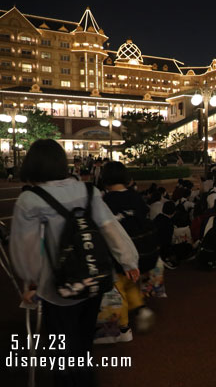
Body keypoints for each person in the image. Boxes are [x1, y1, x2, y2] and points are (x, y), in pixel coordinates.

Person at [10, 139, 139, 386]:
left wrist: (32, 283)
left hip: (56, 287)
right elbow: (110, 227)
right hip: (92, 279)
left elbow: (26, 249)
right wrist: (128, 260)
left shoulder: (30, 201)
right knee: (83, 338)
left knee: (61, 344)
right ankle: (85, 377)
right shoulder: (88, 191)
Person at [97, 161, 154, 344]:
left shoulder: (105, 201)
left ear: (105, 179)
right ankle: (141, 309)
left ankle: (124, 328)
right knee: (131, 284)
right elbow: (144, 214)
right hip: (138, 249)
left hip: (117, 253)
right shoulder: (135, 196)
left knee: (119, 289)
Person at [154, 201, 178, 269]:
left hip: (153, 247)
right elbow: (167, 241)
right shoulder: (169, 224)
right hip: (162, 249)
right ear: (174, 212)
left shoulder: (157, 217)